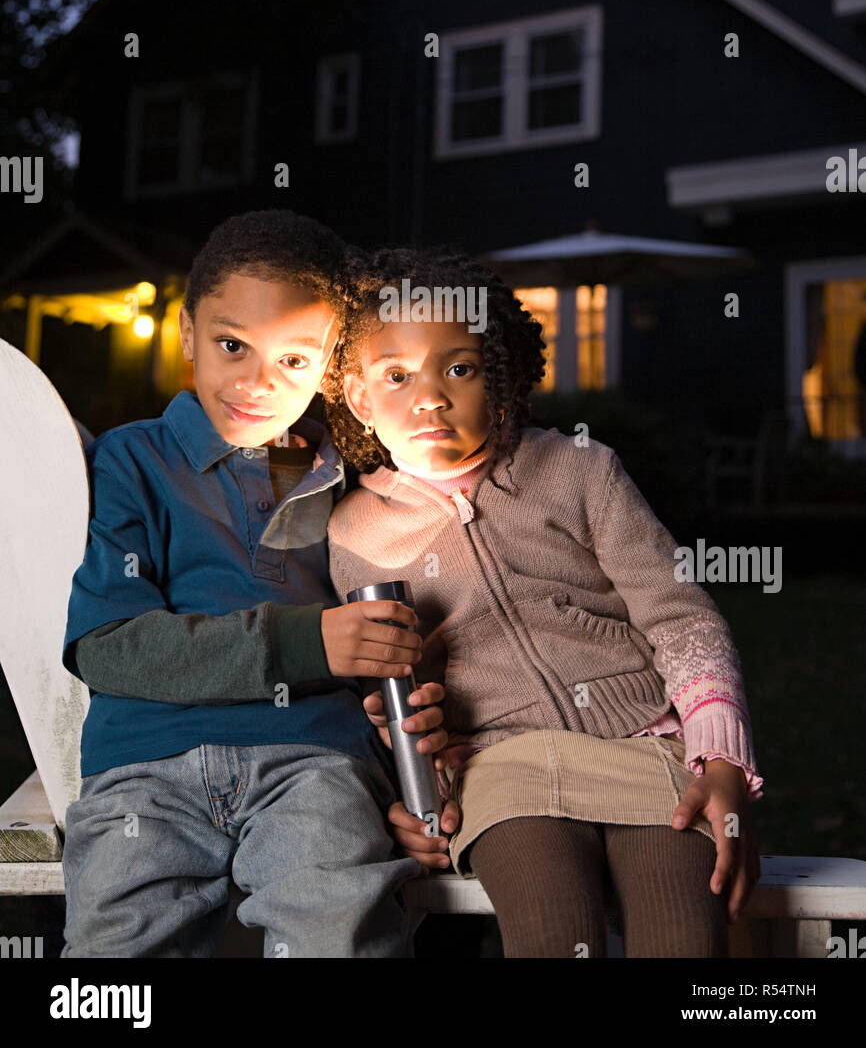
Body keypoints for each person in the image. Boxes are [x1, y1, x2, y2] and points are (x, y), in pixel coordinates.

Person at [323, 245, 765, 959]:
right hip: (500, 771)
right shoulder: (354, 532)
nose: (429, 397)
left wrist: (720, 761)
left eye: (458, 368)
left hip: (644, 749)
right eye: (396, 376)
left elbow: (680, 615)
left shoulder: (581, 470)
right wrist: (405, 785)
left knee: (684, 936)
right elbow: (381, 693)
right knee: (554, 938)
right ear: (360, 398)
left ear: (499, 378)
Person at [60, 209, 451, 959]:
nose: (257, 383)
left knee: (338, 926)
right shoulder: (130, 463)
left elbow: (398, 659)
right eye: (232, 345)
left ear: (333, 362)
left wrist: (416, 752)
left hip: (314, 764)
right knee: (117, 952)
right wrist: (309, 642)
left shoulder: (355, 487)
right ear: (186, 333)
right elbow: (111, 648)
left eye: (295, 361)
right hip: (146, 767)